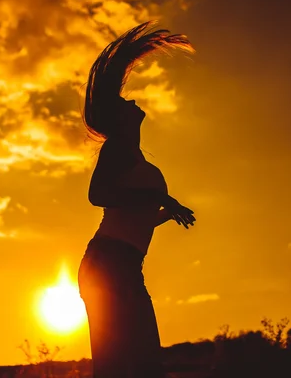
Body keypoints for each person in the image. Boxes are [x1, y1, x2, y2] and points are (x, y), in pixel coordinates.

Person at [78, 21, 197, 378]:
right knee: (129, 364)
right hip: (110, 264)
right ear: (120, 117)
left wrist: (164, 212)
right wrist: (160, 196)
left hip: (123, 265)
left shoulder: (132, 155)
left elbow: (129, 214)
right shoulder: (117, 149)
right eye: (124, 102)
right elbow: (96, 195)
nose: (131, 101)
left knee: (140, 362)